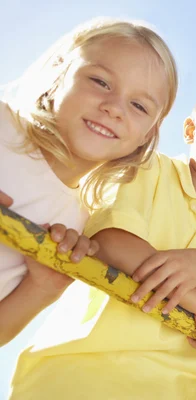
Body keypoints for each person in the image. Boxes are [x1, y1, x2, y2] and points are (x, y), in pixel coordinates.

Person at [9, 81, 196, 400]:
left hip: (174, 391)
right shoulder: (146, 167)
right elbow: (110, 243)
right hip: (78, 375)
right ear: (190, 130)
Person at [0, 17, 177, 347]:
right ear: (58, 73)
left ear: (146, 135)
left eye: (138, 105)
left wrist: (43, 286)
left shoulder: (78, 227)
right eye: (101, 81)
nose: (113, 108)